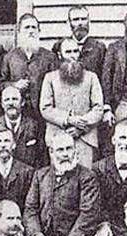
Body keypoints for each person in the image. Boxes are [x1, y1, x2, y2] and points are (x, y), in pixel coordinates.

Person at [40, 38, 104, 168]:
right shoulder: (50, 78)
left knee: (85, 177)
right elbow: (45, 108)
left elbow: (98, 108)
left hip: (85, 138)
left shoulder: (91, 77)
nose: (72, 55)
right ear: (60, 55)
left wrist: (81, 127)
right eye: (68, 51)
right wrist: (68, 119)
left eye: (75, 51)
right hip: (58, 136)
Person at [0, 13, 57, 123]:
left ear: (38, 31)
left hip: (43, 114)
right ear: (20, 32)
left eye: (34, 27)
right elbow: (1, 83)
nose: (31, 31)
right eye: (27, 27)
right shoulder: (9, 57)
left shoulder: (49, 57)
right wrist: (14, 85)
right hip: (18, 114)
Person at [0, 86, 42, 168]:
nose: (11, 103)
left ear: (22, 102)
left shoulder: (33, 126)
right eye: (7, 100)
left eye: (14, 99)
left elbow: (41, 160)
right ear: (2, 104)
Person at [51, 5, 106, 79]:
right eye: (76, 19)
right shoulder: (59, 46)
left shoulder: (99, 48)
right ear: (69, 22)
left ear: (89, 21)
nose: (80, 23)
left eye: (83, 19)